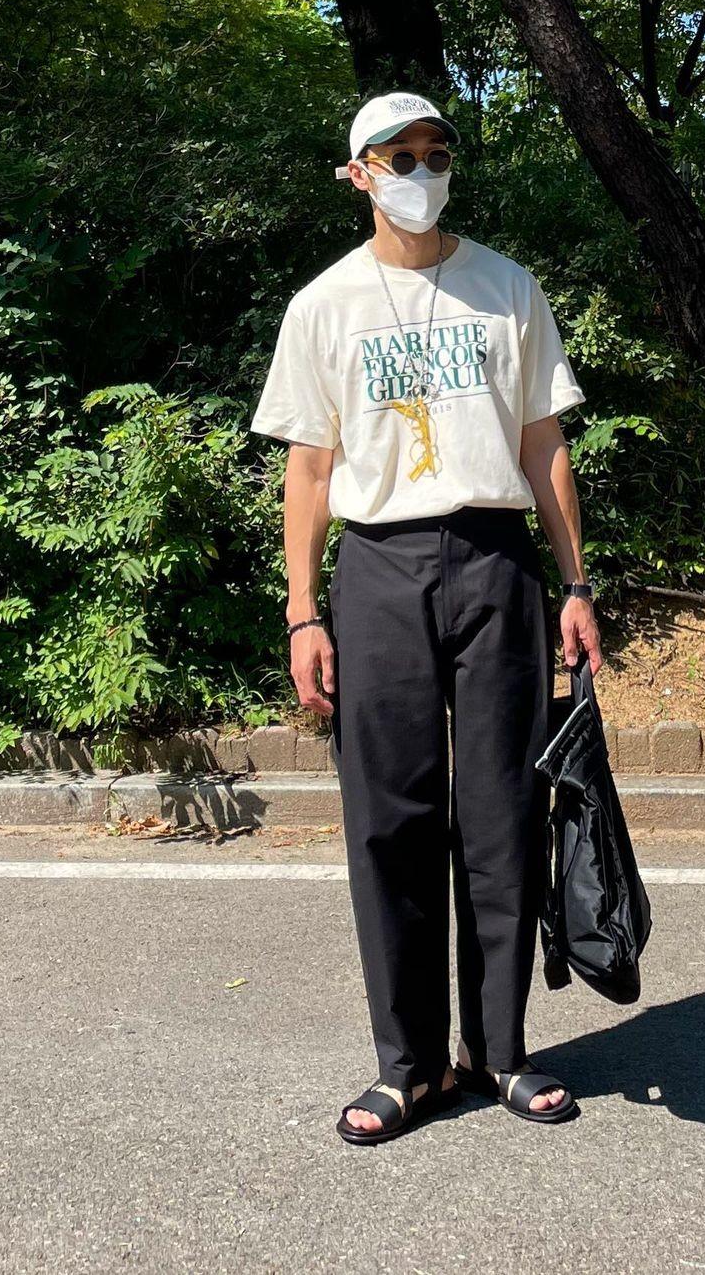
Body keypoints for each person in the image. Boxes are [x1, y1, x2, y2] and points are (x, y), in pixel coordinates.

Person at [249, 91, 602, 1145]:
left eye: (436, 152)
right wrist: (304, 612)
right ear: (358, 172)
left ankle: (498, 1051)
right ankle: (409, 1066)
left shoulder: (506, 287)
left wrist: (576, 584)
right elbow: (310, 469)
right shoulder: (324, 305)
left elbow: (542, 444)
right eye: (399, 156)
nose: (421, 171)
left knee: (502, 809)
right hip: (379, 566)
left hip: (495, 560)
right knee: (390, 818)